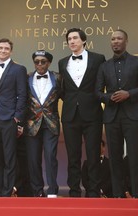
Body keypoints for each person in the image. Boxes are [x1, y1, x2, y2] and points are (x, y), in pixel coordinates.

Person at [58, 28, 106, 197]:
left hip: (92, 113)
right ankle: (74, 192)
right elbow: (63, 90)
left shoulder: (98, 59)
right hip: (70, 114)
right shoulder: (62, 62)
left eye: (75, 38)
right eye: (69, 39)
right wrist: (73, 102)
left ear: (84, 40)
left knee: (93, 154)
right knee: (73, 156)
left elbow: (101, 84)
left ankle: (93, 192)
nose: (72, 41)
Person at [95, 29, 138, 198]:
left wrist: (129, 94)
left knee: (134, 156)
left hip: (133, 115)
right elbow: (97, 92)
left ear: (126, 41)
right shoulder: (104, 66)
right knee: (114, 158)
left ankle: (136, 193)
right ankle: (118, 195)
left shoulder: (136, 62)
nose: (115, 41)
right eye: (113, 39)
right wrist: (109, 97)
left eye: (119, 38)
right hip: (112, 116)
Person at [0, 38, 27, 197]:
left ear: (11, 51)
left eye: (6, 48)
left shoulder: (19, 69)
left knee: (9, 157)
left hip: (9, 119)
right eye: (0, 48)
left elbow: (22, 95)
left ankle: (8, 191)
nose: (3, 50)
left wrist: (17, 118)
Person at [23, 50, 62, 198]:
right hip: (32, 123)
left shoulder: (58, 78)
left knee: (51, 157)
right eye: (36, 61)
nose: (39, 64)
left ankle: (52, 190)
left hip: (51, 123)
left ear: (49, 63)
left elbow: (65, 95)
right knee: (33, 159)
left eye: (43, 61)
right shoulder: (27, 78)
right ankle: (37, 191)